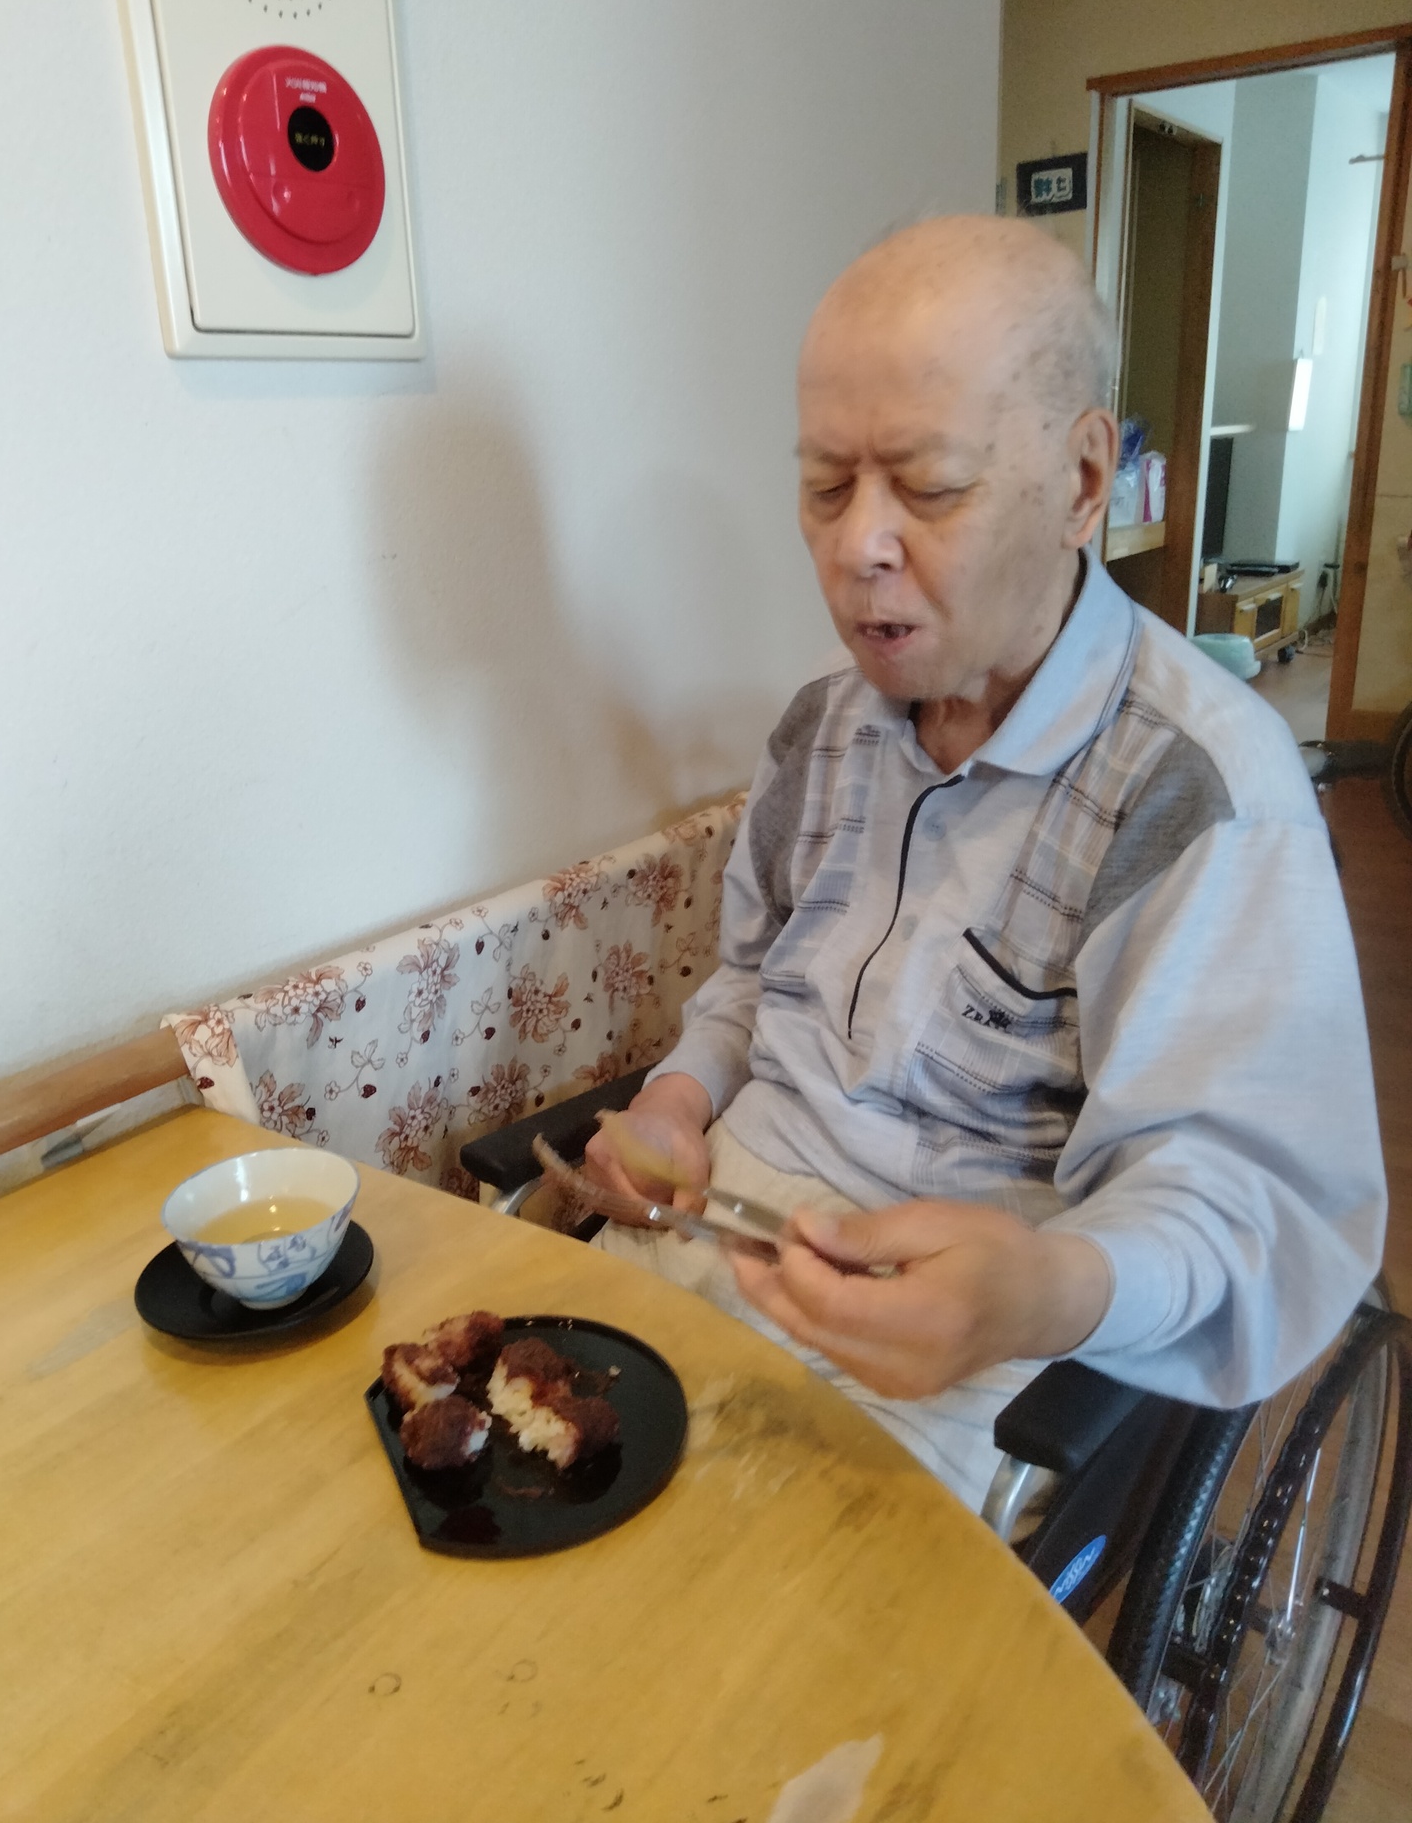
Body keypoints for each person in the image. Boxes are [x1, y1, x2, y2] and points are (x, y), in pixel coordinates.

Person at [583, 215, 1386, 1511]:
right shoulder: (822, 725)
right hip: (715, 1233)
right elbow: (754, 979)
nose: (859, 546)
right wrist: (677, 1100)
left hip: (965, 1348)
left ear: (1082, 482)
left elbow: (1251, 1209)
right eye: (826, 486)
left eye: (929, 486)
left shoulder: (1199, 791)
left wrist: (1042, 1288)